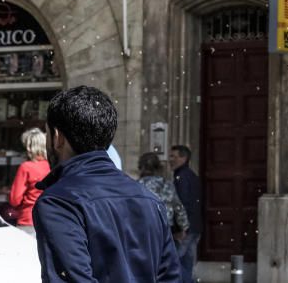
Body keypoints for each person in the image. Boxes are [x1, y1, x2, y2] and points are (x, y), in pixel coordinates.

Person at [33, 86, 180, 283]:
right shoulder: (149, 200)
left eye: (48, 134)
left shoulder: (58, 202)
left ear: (58, 137)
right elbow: (170, 277)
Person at [169, 145, 203, 283]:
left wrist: (180, 228)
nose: (170, 159)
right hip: (195, 226)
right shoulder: (191, 175)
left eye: (174, 156)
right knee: (187, 263)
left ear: (184, 158)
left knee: (172, 262)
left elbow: (181, 204)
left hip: (186, 228)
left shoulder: (181, 177)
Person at [138, 152, 191, 239]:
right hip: (165, 226)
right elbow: (177, 206)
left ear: (141, 167)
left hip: (144, 227)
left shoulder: (136, 185)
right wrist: (184, 226)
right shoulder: (166, 184)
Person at [9, 127, 50, 234]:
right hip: (49, 219)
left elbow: (15, 199)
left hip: (28, 220)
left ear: (29, 147)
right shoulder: (52, 166)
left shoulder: (26, 167)